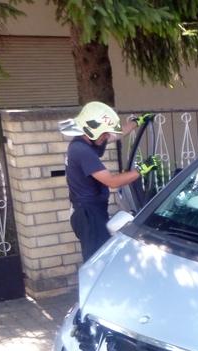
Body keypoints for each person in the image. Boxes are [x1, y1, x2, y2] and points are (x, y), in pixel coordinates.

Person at [59, 102, 158, 261]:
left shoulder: (86, 140)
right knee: (96, 260)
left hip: (90, 211)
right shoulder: (82, 151)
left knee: (102, 255)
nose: (107, 137)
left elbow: (116, 135)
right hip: (88, 216)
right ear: (92, 131)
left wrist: (137, 122)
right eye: (104, 133)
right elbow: (112, 181)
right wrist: (141, 170)